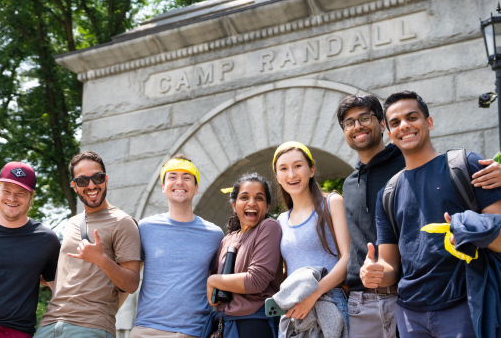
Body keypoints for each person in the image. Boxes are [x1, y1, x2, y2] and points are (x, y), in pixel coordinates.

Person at [336, 93, 501, 338]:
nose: (404, 125)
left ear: (429, 122)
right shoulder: (388, 193)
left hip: (464, 305)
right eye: (395, 123)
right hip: (410, 315)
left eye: (412, 117)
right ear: (390, 134)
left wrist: (469, 231)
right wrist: (376, 272)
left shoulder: (467, 165)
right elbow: (391, 264)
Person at [35, 151, 141, 338]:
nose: (91, 185)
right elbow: (64, 278)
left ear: (106, 180)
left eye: (97, 178)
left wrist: (101, 260)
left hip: (90, 326)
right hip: (49, 325)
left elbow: (132, 283)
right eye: (83, 180)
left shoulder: (123, 222)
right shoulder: (72, 223)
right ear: (75, 186)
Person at [131, 154, 224, 338]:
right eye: (172, 177)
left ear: (196, 188)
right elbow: (128, 278)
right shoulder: (144, 228)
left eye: (187, 177)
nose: (179, 182)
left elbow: (217, 284)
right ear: (163, 187)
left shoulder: (214, 235)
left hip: (194, 332)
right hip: (146, 332)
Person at [272, 141, 350, 325]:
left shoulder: (332, 202)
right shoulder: (281, 221)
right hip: (294, 309)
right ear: (277, 177)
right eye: (283, 169)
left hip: (330, 302)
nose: (292, 174)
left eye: (298, 166)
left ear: (312, 169)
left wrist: (313, 295)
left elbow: (347, 258)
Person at [204, 173, 283, 338]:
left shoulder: (269, 227)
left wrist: (213, 281)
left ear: (268, 206)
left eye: (259, 198)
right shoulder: (227, 239)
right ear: (234, 205)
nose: (252, 203)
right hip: (223, 324)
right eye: (244, 197)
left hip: (253, 323)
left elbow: (256, 281)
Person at [0, 162, 60, 338]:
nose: (12, 198)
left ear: (31, 197)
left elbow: (61, 290)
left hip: (17, 332)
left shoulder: (46, 239)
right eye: (6, 191)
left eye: (20, 193)